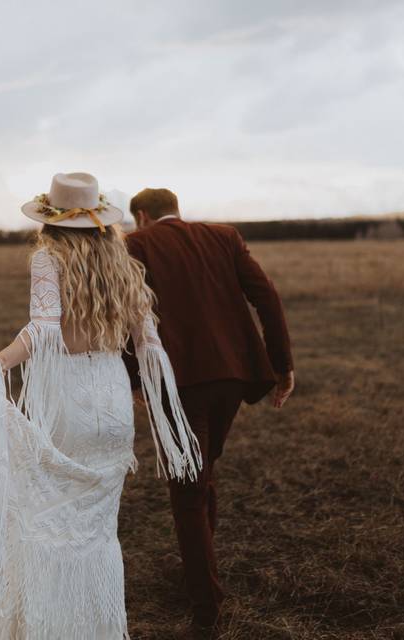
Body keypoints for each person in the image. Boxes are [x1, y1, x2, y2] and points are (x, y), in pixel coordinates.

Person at [0, 172, 201, 640]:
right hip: (112, 399)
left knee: (48, 523)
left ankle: (47, 626)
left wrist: (0, 361)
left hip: (67, 397)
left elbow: (43, 328)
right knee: (98, 531)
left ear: (50, 219)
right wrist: (169, 418)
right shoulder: (122, 261)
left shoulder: (48, 258)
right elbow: (149, 342)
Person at [125, 187, 294, 635]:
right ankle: (201, 573)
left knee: (187, 492)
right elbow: (267, 297)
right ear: (175, 209)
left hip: (178, 382)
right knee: (203, 474)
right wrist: (282, 364)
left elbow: (125, 312)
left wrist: (133, 375)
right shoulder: (224, 236)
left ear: (141, 215)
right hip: (234, 376)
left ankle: (206, 610)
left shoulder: (135, 244)